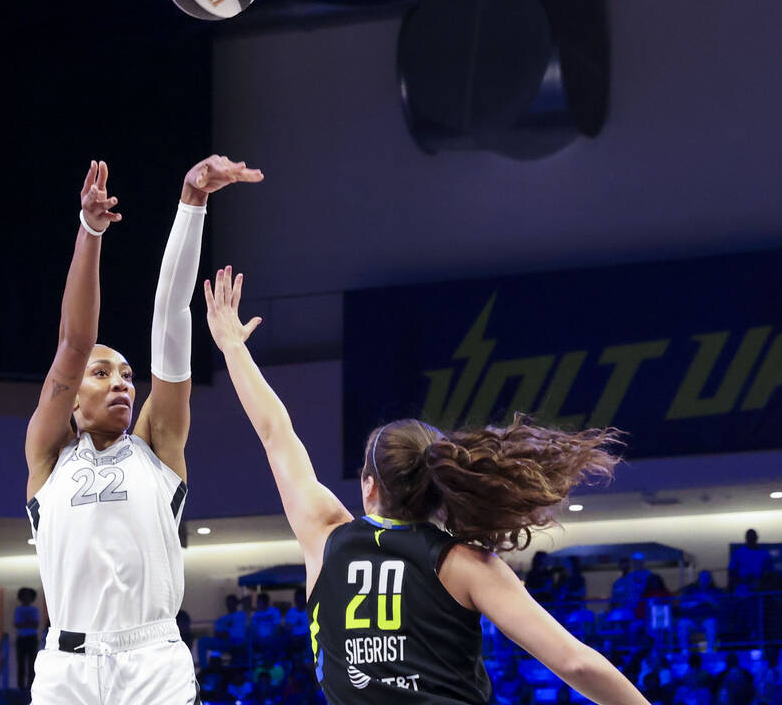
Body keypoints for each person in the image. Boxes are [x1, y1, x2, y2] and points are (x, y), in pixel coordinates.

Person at [204, 267, 650, 705]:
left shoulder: (324, 536)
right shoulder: (464, 564)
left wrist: (232, 347)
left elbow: (275, 432)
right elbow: (576, 664)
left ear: (368, 485)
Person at [24, 157, 261, 705]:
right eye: (103, 374)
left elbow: (171, 314)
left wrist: (192, 202)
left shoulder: (157, 444)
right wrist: (90, 231)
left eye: (128, 376)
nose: (122, 384)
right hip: (67, 668)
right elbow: (73, 342)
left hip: (153, 661)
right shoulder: (47, 457)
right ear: (72, 395)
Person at [13, 587, 40, 690]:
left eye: (28, 596)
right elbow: (17, 624)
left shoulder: (34, 610)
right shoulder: (18, 609)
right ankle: (20, 686)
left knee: (32, 663)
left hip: (32, 638)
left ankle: (31, 685)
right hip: (21, 638)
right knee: (21, 663)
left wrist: (25, 624)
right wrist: (28, 623)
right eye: (25, 596)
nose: (26, 598)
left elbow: (35, 624)